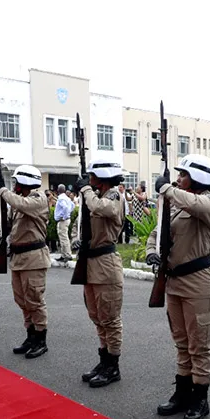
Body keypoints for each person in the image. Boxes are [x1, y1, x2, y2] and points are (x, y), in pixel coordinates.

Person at [146, 153, 210, 419]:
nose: (178, 179)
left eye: (183, 175)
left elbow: (196, 205)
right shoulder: (177, 202)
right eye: (178, 175)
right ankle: (182, 392)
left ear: (199, 177)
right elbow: (157, 230)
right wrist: (151, 251)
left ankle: (200, 399)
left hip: (199, 282)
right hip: (174, 281)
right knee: (181, 341)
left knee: (200, 344)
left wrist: (168, 189)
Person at [75, 161, 125, 388]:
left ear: (102, 177)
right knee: (96, 316)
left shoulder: (113, 196)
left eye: (92, 176)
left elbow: (104, 209)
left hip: (105, 264)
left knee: (110, 318)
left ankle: (112, 366)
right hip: (91, 261)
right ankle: (104, 360)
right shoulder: (97, 195)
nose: (89, 179)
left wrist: (85, 190)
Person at [0, 164, 50, 359]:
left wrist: (2, 191)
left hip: (34, 258)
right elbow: (10, 222)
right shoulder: (20, 201)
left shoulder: (37, 199)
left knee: (34, 299)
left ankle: (40, 339)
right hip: (18, 258)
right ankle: (30, 335)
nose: (15, 185)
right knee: (22, 300)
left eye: (17, 181)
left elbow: (21, 205)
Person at [54, 184, 73, 262]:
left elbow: (65, 207)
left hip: (63, 220)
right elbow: (72, 205)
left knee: (63, 238)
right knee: (63, 237)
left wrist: (64, 216)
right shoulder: (66, 198)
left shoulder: (61, 198)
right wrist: (68, 214)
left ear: (59, 190)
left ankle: (67, 255)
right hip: (65, 220)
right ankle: (64, 254)